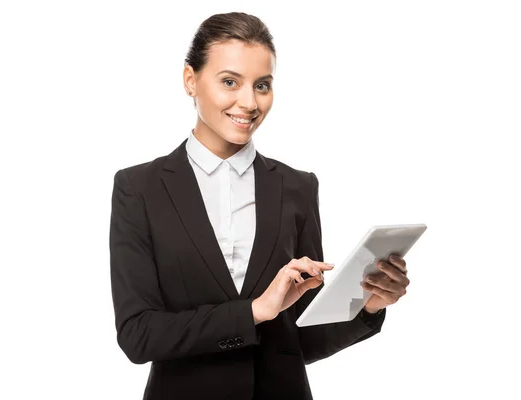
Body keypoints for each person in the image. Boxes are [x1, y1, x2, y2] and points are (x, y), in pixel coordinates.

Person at [109, 11, 410, 400]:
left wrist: (369, 305)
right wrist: (253, 311)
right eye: (230, 82)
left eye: (262, 85)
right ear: (190, 80)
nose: (249, 103)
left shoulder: (297, 187)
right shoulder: (139, 188)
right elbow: (138, 335)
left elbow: (299, 338)